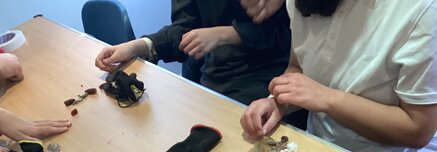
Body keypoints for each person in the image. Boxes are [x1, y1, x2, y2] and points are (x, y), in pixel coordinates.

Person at [241, 0, 437, 152]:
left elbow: (417, 129)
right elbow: (298, 66)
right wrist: (278, 101)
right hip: (321, 147)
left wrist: (327, 99)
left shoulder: (433, 8)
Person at [94, 0, 291, 105]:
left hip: (265, 76)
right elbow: (185, 27)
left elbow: (288, 34)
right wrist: (141, 45)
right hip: (214, 78)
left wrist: (227, 34)